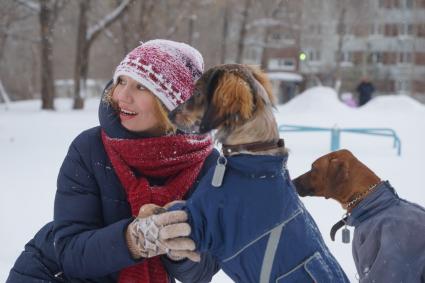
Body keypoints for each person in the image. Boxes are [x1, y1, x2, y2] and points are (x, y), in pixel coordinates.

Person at [7, 39, 220, 283]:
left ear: (173, 105)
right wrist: (134, 239)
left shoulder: (207, 166)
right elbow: (69, 252)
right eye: (121, 81)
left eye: (141, 87)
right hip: (51, 275)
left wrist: (179, 249)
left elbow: (205, 269)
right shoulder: (89, 148)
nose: (122, 96)